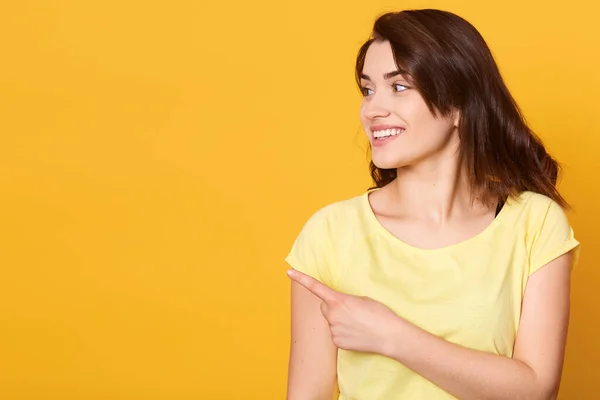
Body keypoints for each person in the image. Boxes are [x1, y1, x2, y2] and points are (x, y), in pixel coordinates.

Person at [284, 8, 581, 400]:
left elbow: (535, 389)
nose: (372, 109)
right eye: (368, 89)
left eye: (400, 86)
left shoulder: (535, 224)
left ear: (457, 104)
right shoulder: (330, 233)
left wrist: (392, 335)